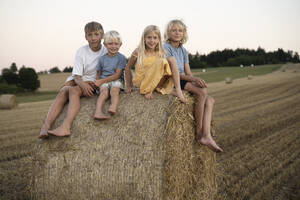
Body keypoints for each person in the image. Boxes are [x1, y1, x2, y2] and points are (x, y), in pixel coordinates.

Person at [39, 21, 107, 138]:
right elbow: (77, 76)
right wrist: (82, 84)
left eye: (96, 34)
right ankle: (46, 126)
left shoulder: (105, 51)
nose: (93, 38)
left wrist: (92, 84)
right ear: (85, 37)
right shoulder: (81, 51)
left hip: (94, 81)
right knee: (63, 91)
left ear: (102, 35)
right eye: (89, 35)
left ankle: (66, 126)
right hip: (79, 79)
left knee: (73, 91)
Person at [163, 19, 223, 152]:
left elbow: (188, 71)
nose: (177, 33)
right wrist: (193, 79)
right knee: (201, 93)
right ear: (168, 33)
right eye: (174, 30)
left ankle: (207, 134)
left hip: (182, 78)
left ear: (184, 33)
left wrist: (195, 80)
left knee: (209, 99)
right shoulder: (165, 47)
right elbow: (172, 73)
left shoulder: (183, 51)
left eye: (180, 30)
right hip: (171, 79)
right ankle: (199, 131)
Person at [125, 25, 186, 102]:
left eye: (155, 38)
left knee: (172, 59)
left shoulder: (161, 52)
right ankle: (148, 90)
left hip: (155, 81)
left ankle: (178, 90)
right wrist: (129, 86)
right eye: (149, 37)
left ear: (159, 40)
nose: (152, 41)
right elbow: (128, 67)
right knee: (162, 61)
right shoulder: (138, 51)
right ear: (144, 39)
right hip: (143, 82)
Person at [93, 31, 126, 120]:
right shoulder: (102, 59)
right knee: (104, 93)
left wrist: (101, 81)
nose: (113, 46)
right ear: (105, 44)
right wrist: (97, 82)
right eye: (110, 43)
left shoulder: (121, 58)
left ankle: (113, 106)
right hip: (104, 81)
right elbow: (99, 73)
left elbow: (117, 75)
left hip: (116, 80)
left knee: (114, 91)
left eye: (116, 44)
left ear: (120, 44)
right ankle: (98, 111)